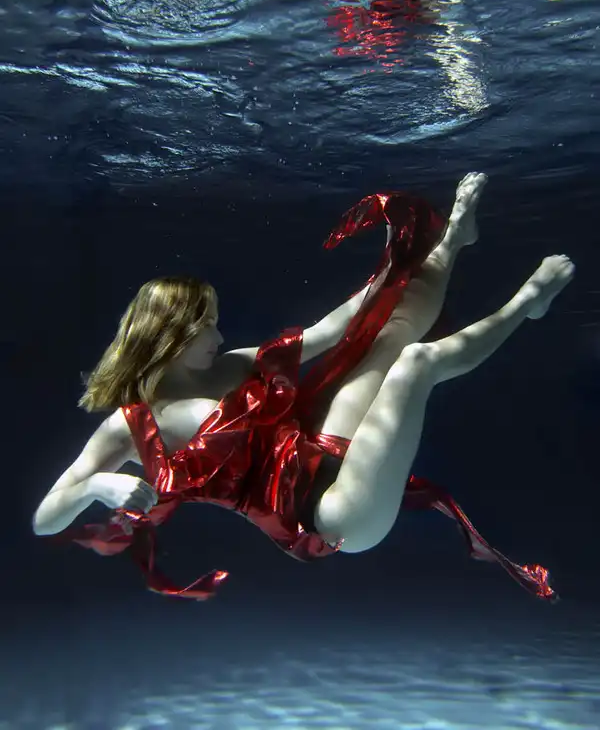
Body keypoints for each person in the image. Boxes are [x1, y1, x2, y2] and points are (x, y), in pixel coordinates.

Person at [33, 173, 574, 601]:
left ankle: (452, 242)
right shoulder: (126, 428)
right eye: (208, 327)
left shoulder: (228, 366)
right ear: (170, 338)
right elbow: (44, 518)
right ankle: (527, 304)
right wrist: (96, 486)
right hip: (331, 517)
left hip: (322, 447)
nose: (220, 336)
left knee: (391, 334)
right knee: (416, 364)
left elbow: (325, 332)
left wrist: (389, 270)